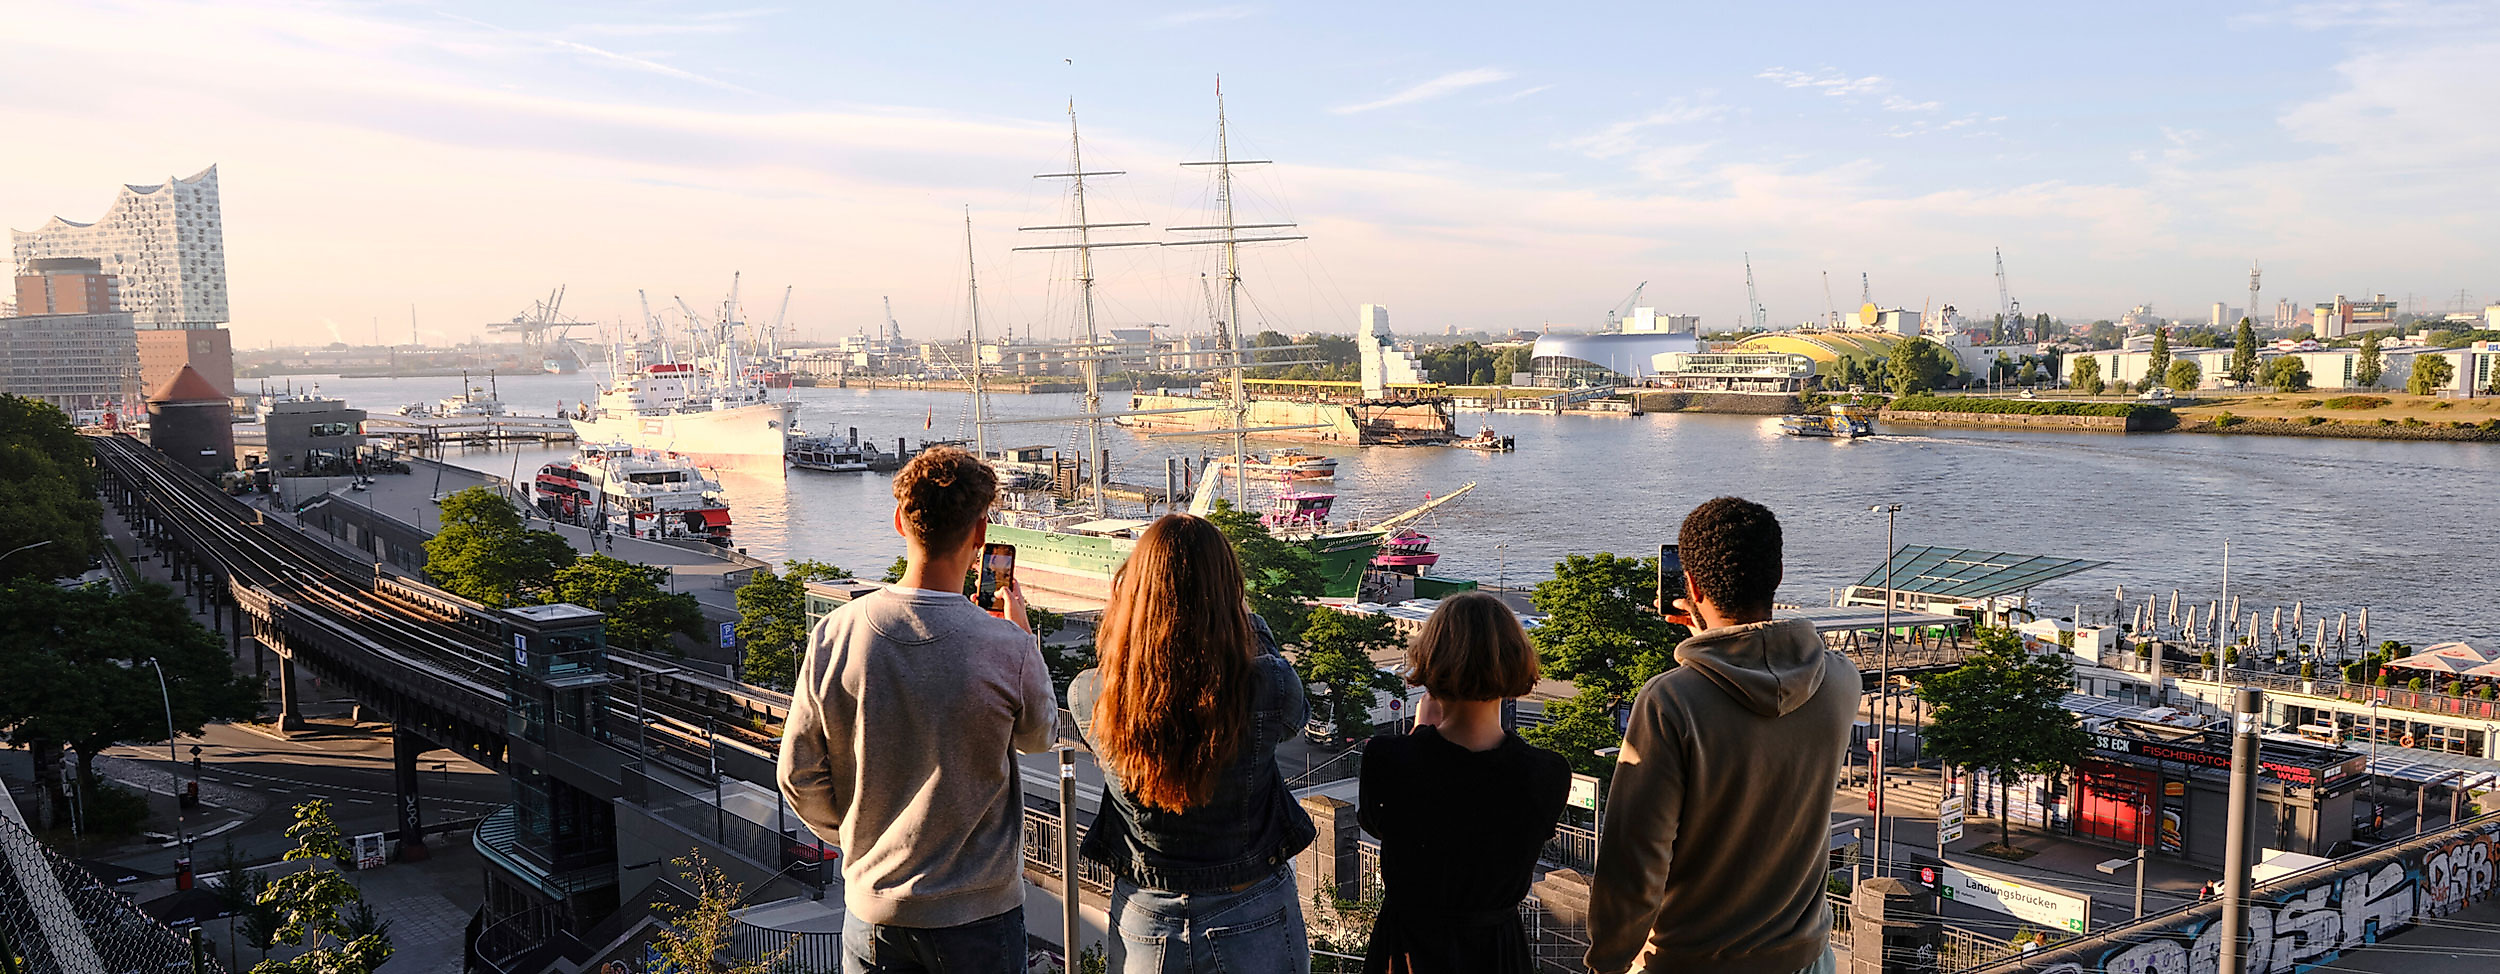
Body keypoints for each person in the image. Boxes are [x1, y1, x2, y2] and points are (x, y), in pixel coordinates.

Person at [777, 447, 1057, 974]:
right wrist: (1022, 635)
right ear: (981, 533)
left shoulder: (836, 633)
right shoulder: (1006, 645)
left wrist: (862, 842)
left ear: (900, 520)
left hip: (874, 912)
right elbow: (1040, 736)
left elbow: (797, 774)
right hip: (979, 914)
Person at [1586, 497, 1860, 974]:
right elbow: (1758, 671)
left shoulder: (1670, 702)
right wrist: (1713, 641)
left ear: (1691, 585)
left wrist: (1606, 961)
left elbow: (1636, 864)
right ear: (1777, 575)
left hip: (1692, 962)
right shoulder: (1840, 681)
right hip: (1807, 959)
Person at [1068, 514, 1315, 974]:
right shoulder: (1268, 685)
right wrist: (1247, 622)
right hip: (1252, 908)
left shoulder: (1093, 694)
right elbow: (1293, 721)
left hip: (1145, 917)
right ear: (1229, 592)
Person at [1359, 592, 1570, 974]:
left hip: (1406, 951)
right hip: (1497, 953)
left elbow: (1377, 823)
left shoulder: (1387, 759)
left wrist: (1420, 733)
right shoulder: (1547, 773)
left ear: (1431, 663)